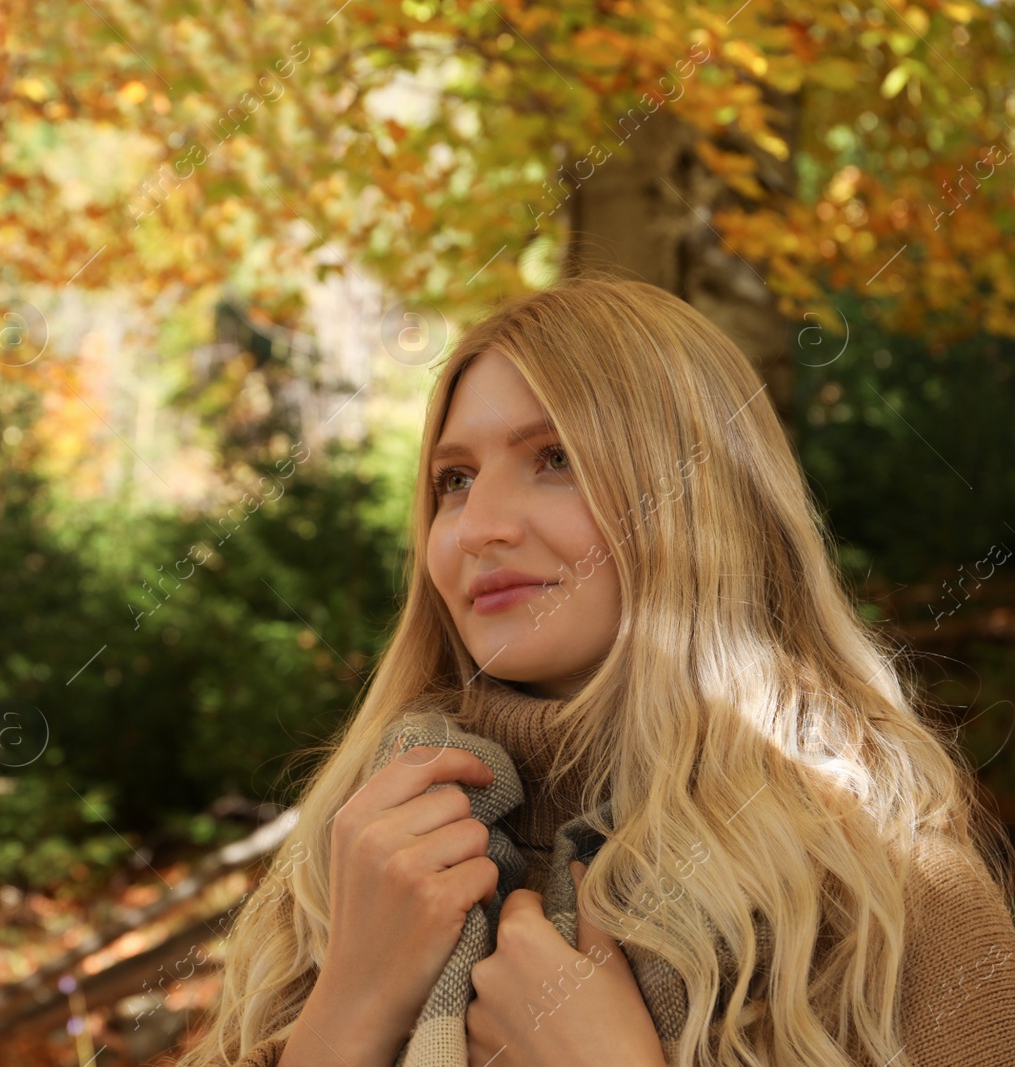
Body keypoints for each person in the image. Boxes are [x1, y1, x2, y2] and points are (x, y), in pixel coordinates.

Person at [173, 278, 1015, 1067]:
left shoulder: (891, 894)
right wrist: (352, 1004)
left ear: (697, 495)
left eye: (556, 457)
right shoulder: (356, 852)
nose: (478, 527)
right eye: (454, 480)